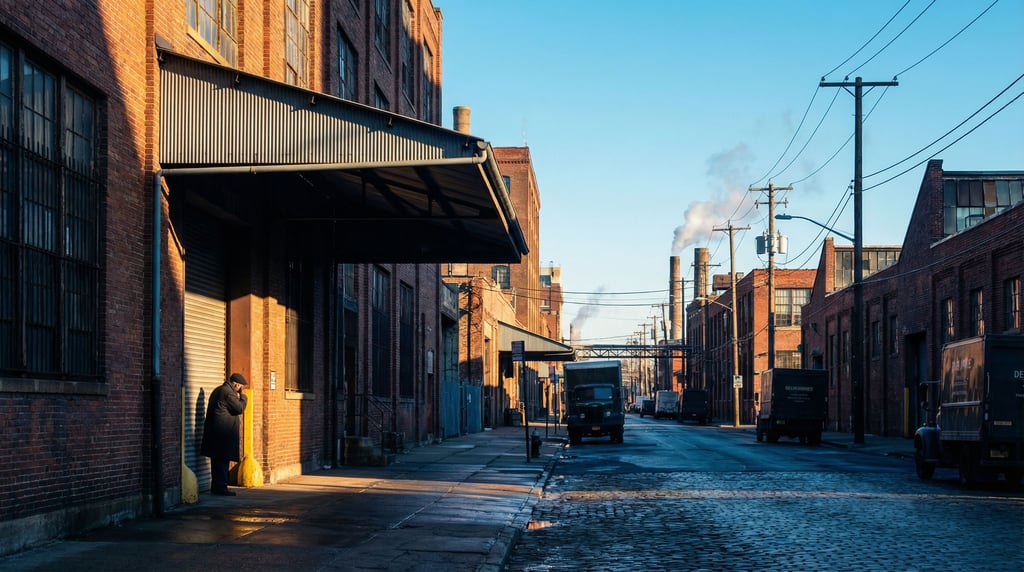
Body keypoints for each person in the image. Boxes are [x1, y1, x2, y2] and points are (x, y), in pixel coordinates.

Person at [200, 372, 248, 496]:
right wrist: (243, 397)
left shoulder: (219, 390)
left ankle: (217, 488)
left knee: (217, 462)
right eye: (241, 387)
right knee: (222, 461)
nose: (241, 389)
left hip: (217, 433)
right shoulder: (228, 393)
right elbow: (239, 408)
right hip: (222, 434)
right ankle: (221, 488)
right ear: (236, 384)